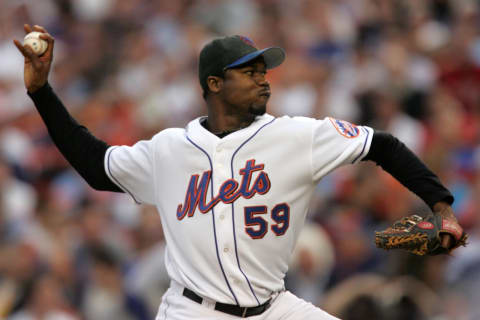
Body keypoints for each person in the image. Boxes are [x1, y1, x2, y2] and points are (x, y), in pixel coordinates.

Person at [14, 24, 463, 320]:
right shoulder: (170, 150)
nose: (264, 79)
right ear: (214, 84)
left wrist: (441, 204)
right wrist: (42, 93)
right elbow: (95, 166)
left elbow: (381, 144)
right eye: (249, 73)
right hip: (194, 312)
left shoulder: (296, 137)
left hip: (275, 308)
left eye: (264, 71)